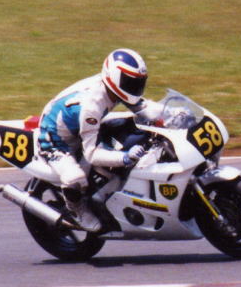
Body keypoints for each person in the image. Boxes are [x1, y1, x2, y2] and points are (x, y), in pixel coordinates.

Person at [38, 48, 156, 232]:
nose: (134, 87)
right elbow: (92, 154)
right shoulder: (92, 106)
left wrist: (173, 114)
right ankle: (76, 209)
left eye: (138, 82)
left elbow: (144, 108)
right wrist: (125, 157)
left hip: (82, 127)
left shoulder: (116, 88)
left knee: (134, 131)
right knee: (75, 178)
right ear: (115, 78)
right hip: (55, 140)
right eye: (130, 82)